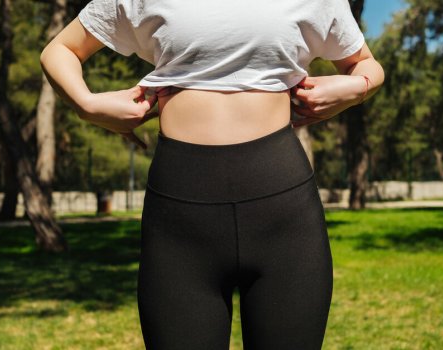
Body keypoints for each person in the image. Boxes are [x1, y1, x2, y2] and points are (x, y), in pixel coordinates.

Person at [40, 0, 384, 348]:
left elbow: (365, 64)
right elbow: (61, 50)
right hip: (179, 220)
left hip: (284, 211)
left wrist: (358, 88)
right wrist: (86, 104)